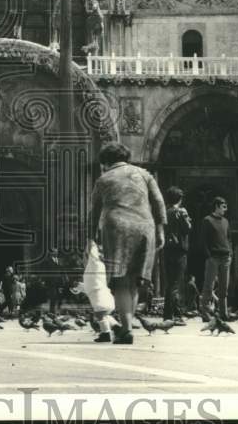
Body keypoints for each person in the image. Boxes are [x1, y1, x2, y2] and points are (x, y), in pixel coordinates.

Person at [87, 142, 167, 345]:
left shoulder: (103, 179)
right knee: (135, 280)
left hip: (117, 228)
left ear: (105, 162)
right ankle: (126, 327)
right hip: (144, 226)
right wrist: (160, 229)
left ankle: (126, 329)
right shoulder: (144, 174)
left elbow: (94, 212)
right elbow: (158, 202)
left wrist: (90, 238)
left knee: (121, 280)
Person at [161, 186, 191, 321]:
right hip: (179, 250)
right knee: (176, 283)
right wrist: (186, 216)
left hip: (166, 249)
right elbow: (188, 229)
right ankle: (173, 315)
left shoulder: (165, 212)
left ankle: (172, 314)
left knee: (170, 283)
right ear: (180, 199)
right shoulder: (180, 211)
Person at [199, 197, 231, 319]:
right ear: (217, 206)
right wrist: (209, 256)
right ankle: (206, 313)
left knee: (224, 287)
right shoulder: (207, 220)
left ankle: (223, 313)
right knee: (209, 286)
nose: (225, 209)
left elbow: (229, 238)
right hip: (213, 257)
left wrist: (230, 253)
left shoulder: (226, 221)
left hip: (226, 258)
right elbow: (203, 240)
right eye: (223, 206)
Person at [43, 250, 66, 314]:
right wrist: (45, 280)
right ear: (51, 253)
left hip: (59, 281)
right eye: (54, 252)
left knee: (60, 295)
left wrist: (64, 278)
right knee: (53, 296)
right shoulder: (47, 261)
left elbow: (62, 270)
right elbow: (45, 272)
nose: (56, 253)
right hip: (51, 281)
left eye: (57, 252)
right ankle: (52, 311)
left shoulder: (59, 260)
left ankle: (58, 308)